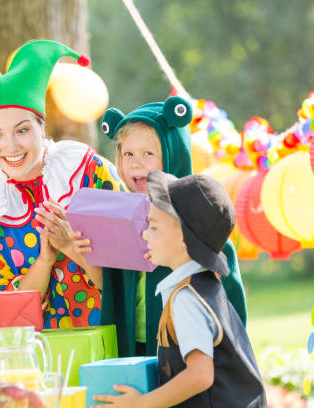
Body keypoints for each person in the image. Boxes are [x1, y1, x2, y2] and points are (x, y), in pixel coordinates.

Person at [0, 40, 125, 328]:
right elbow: (8, 316)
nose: (10, 147)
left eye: (22, 130)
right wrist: (44, 261)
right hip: (36, 356)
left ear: (41, 126)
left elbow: (127, 286)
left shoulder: (89, 171)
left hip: (110, 342)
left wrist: (71, 246)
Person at [94, 171, 266, 407]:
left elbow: (199, 375)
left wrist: (141, 404)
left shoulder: (187, 299)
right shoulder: (203, 286)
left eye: (153, 227)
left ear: (184, 240)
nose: (145, 234)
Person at [93, 98, 247, 357]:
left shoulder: (197, 216)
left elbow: (228, 293)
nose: (135, 163)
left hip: (188, 351)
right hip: (134, 348)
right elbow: (113, 286)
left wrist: (229, 355)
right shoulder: (120, 218)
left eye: (148, 153)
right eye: (128, 153)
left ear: (173, 153)